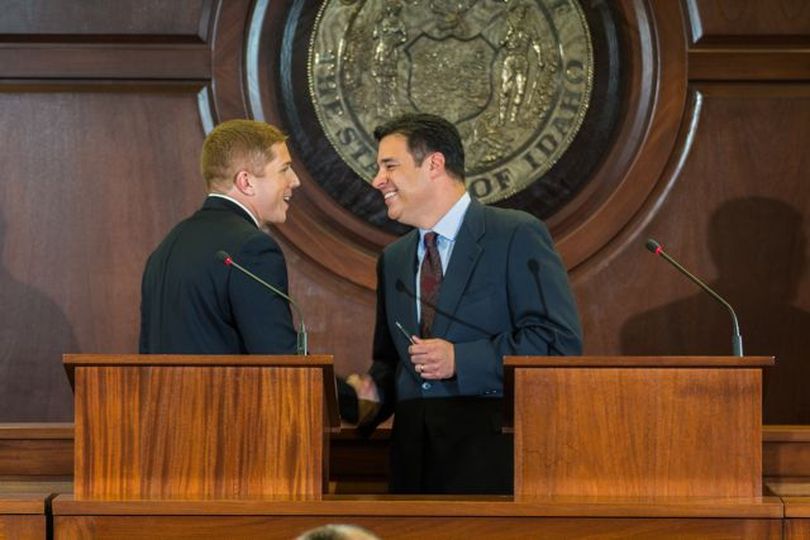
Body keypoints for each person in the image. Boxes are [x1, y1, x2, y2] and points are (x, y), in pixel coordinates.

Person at [343, 113, 582, 494]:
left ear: (434, 164)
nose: (377, 180)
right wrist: (364, 396)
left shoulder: (515, 234)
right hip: (412, 471)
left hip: (491, 465)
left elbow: (558, 344)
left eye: (389, 166)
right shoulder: (394, 259)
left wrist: (461, 360)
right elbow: (391, 362)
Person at [139, 119, 300, 354]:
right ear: (246, 182)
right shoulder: (252, 249)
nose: (295, 180)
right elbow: (280, 361)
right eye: (284, 169)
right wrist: (350, 391)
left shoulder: (166, 248)